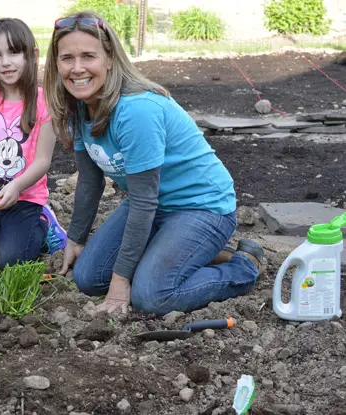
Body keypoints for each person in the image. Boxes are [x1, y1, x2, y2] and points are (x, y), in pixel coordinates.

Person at [42, 11, 264, 316]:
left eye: (88, 56)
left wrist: (121, 283)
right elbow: (90, 181)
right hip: (153, 207)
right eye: (67, 58)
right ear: (56, 63)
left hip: (202, 208)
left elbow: (144, 201)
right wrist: (76, 239)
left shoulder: (136, 110)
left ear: (109, 59)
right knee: (89, 278)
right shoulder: (80, 106)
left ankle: (243, 266)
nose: (77, 68)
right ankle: (195, 255)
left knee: (151, 295)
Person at [0, 18, 67, 275]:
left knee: (11, 263)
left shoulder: (44, 103)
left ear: (32, 55)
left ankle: (44, 224)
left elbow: (42, 161)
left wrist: (17, 186)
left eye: (14, 52)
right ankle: (2, 234)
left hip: (25, 198)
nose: (5, 62)